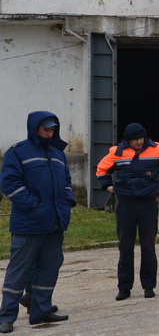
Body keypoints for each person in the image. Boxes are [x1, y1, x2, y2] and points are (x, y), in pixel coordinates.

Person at [0, 111, 74, 333]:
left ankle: (40, 311)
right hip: (28, 224)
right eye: (46, 129)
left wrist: (67, 200)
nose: (50, 133)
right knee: (18, 271)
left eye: (53, 129)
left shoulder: (58, 154)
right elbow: (9, 183)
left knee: (49, 269)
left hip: (55, 222)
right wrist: (34, 205)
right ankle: (6, 317)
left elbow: (67, 181)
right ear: (34, 128)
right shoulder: (17, 152)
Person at [96, 123, 159, 300]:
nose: (139, 142)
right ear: (128, 140)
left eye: (141, 138)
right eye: (135, 139)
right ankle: (124, 288)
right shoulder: (116, 152)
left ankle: (149, 286)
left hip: (147, 203)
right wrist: (108, 186)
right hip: (126, 204)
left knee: (148, 247)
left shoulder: (157, 149)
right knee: (125, 247)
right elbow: (101, 169)